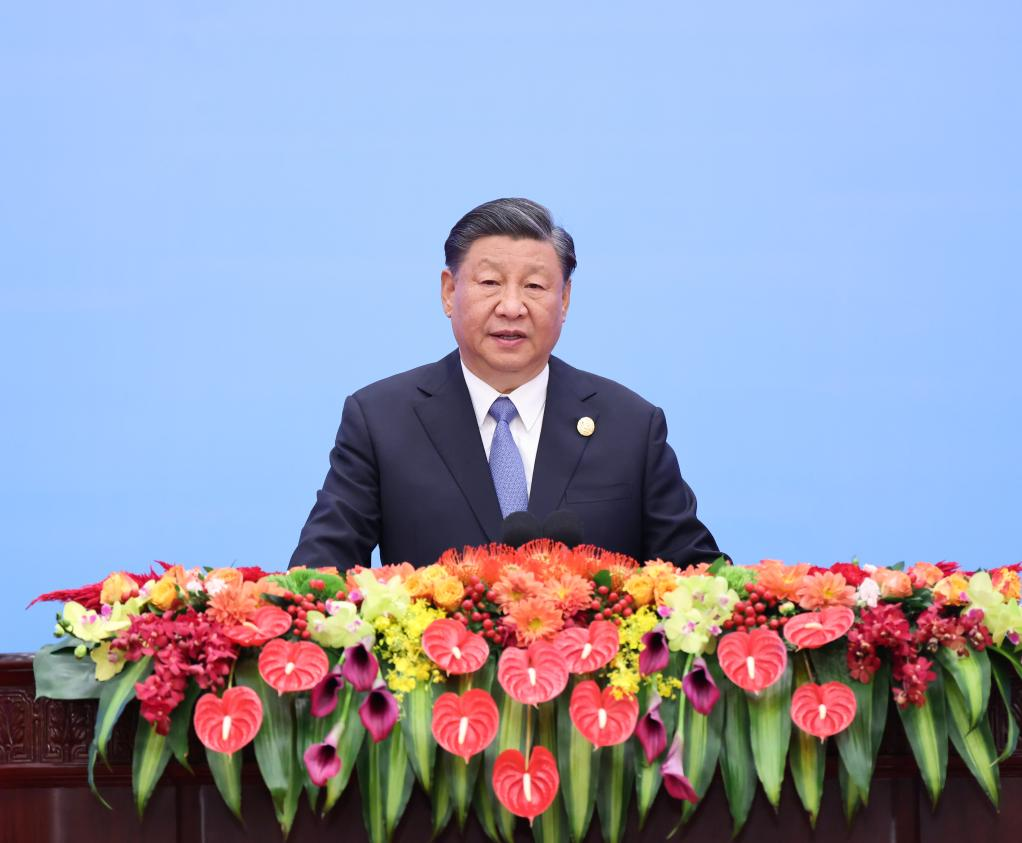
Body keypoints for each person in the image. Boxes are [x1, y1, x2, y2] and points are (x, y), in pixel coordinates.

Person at [290, 198, 723, 570]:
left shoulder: (630, 425)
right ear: (448, 292)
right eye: (490, 283)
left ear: (565, 299)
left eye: (534, 286)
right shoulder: (381, 420)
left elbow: (700, 580)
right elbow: (320, 572)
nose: (512, 307)